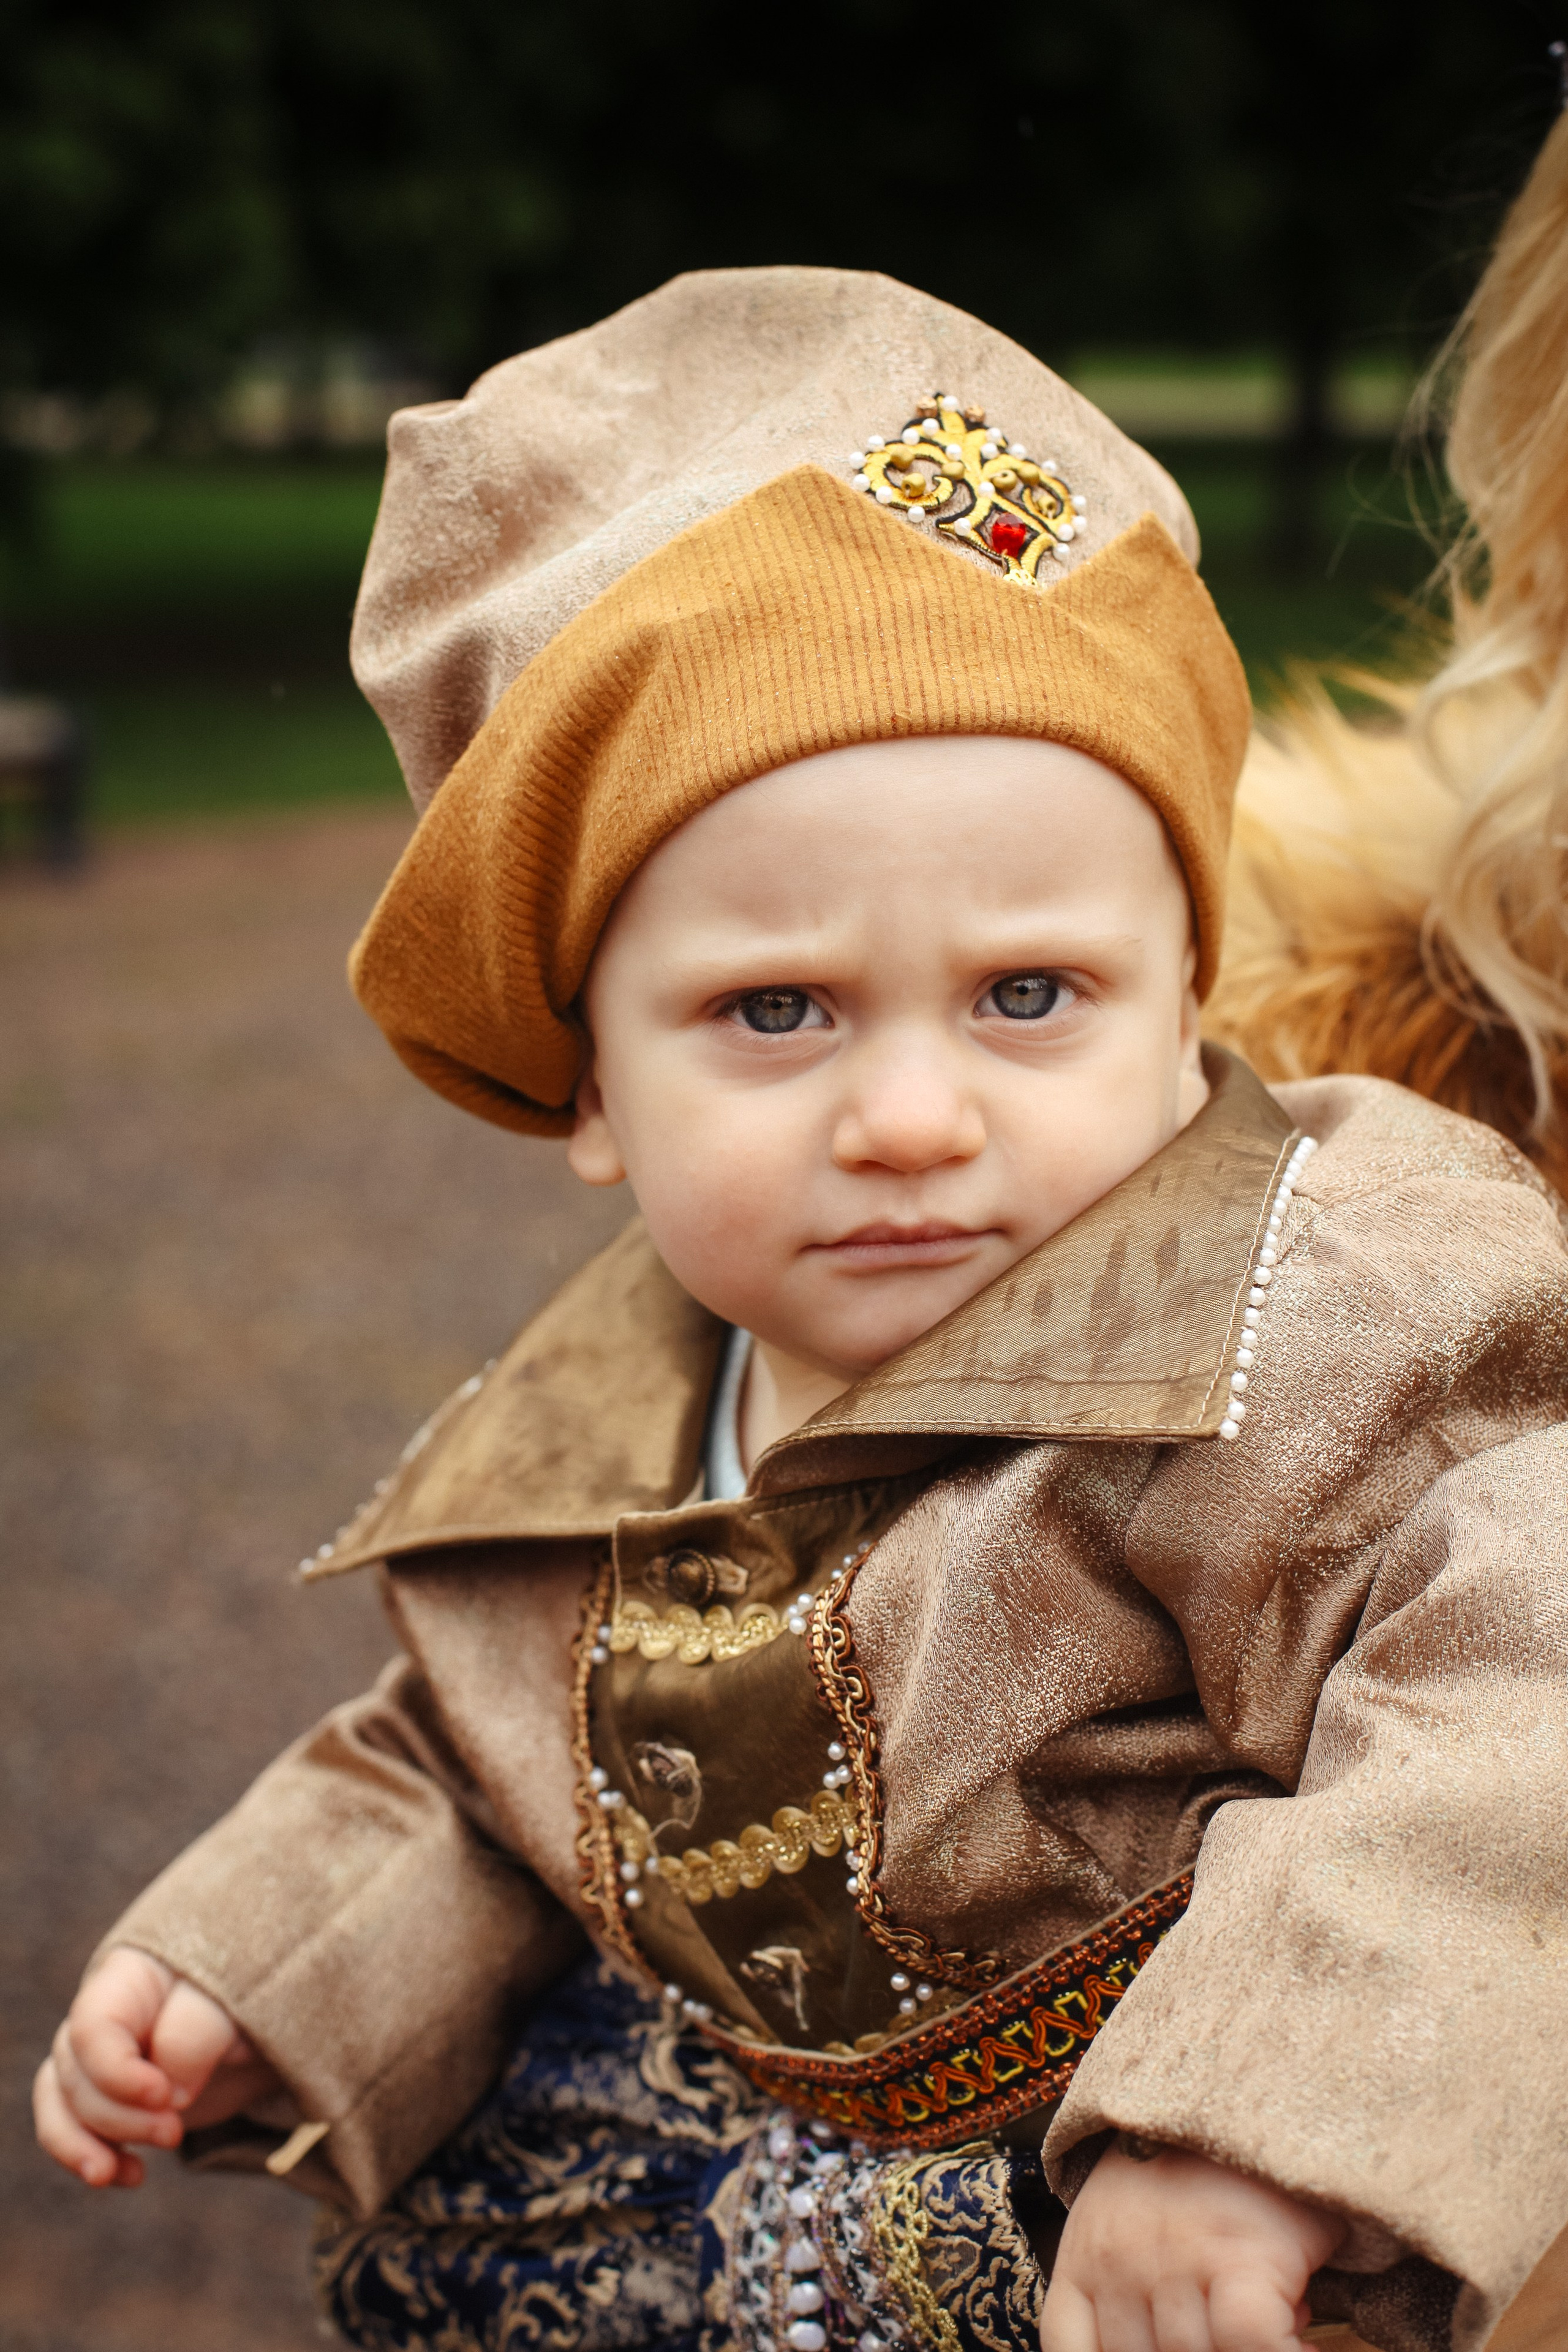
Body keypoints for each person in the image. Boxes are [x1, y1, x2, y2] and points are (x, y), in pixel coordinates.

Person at [32, 124, 1568, 2352]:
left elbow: (1524, 1673)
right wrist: (252, 1963)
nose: (919, 1115)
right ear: (582, 1088)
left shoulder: (1310, 1314)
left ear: (1183, 1003)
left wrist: (1275, 2109)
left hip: (1182, 2256)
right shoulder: (609, 1425)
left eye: (1029, 995)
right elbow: (480, 1778)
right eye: (777, 1012)